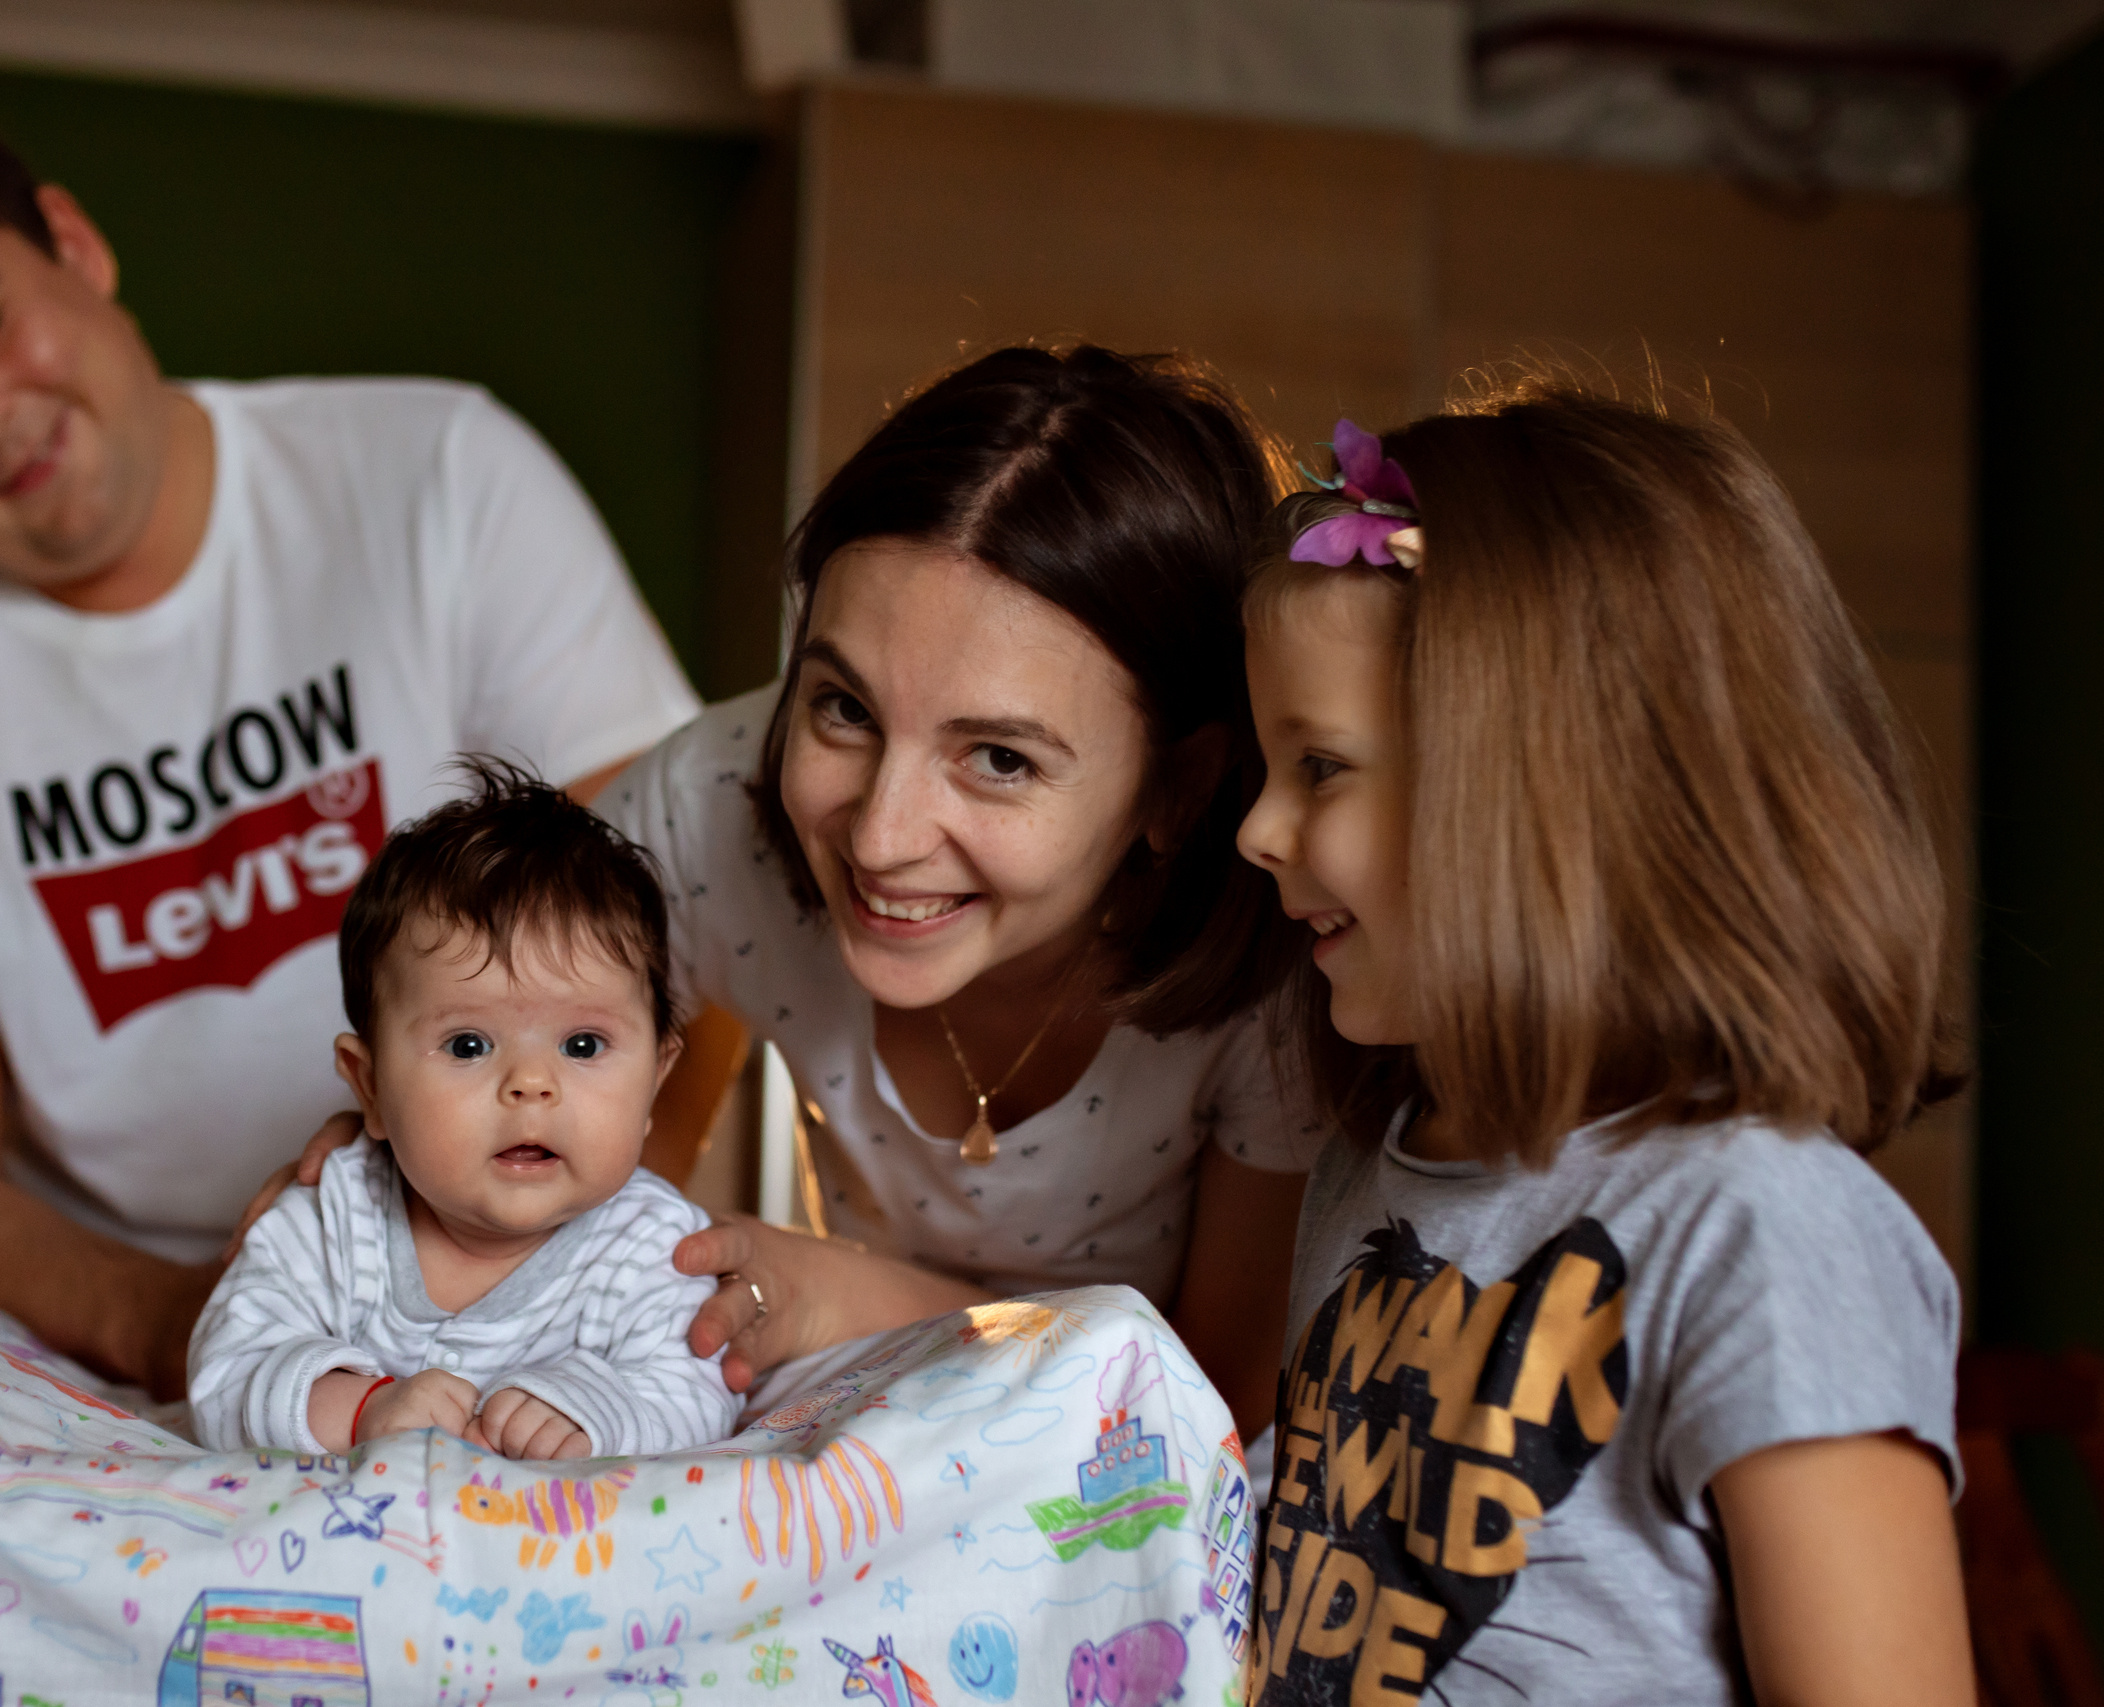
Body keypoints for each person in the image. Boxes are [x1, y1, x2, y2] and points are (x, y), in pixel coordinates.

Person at [0, 93, 698, 1401]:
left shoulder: (440, 475)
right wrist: (183, 1315)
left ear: (71, 242)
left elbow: (679, 929)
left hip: (555, 1305)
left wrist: (568, 1271)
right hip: (138, 1347)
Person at [1235, 397, 1969, 1704]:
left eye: (1321, 767)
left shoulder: (1763, 1229)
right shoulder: (1371, 1173)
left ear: (1539, 789)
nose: (1259, 827)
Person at [611, 343, 1324, 1433]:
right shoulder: (711, 797)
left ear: (1178, 788)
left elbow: (1219, 1401)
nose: (881, 837)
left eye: (998, 758)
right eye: (843, 708)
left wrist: (850, 1298)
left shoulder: (1278, 951)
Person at [190, 762, 734, 1460]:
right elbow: (225, 1372)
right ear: (371, 1088)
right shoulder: (334, 1217)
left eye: (583, 1043)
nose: (532, 1083)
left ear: (656, 1079)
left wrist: (592, 1412)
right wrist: (360, 1409)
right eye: (469, 1043)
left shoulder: (652, 1247)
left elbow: (698, 1393)